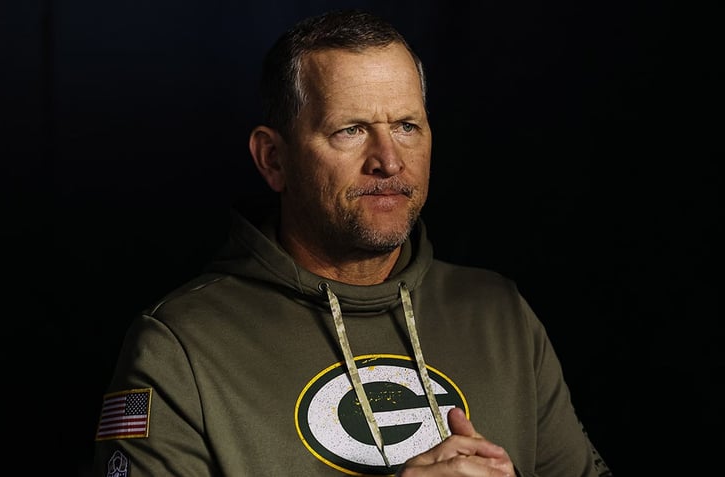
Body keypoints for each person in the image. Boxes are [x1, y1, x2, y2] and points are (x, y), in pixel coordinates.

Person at [91, 8, 613, 477]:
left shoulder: (500, 316)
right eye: (351, 130)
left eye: (407, 126)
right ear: (274, 159)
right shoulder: (179, 346)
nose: (389, 160)